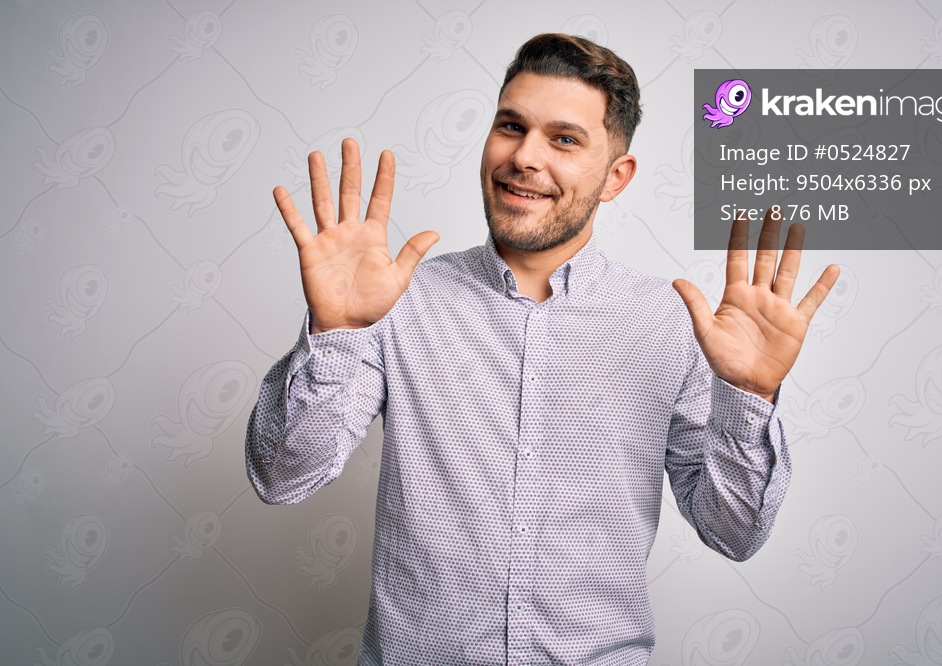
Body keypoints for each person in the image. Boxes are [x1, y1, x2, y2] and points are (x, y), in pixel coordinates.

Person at [246, 33, 839, 665]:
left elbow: (735, 532)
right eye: (511, 126)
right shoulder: (398, 301)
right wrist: (335, 331)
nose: (525, 156)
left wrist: (748, 397)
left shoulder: (671, 327)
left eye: (564, 138)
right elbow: (282, 475)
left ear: (616, 177)